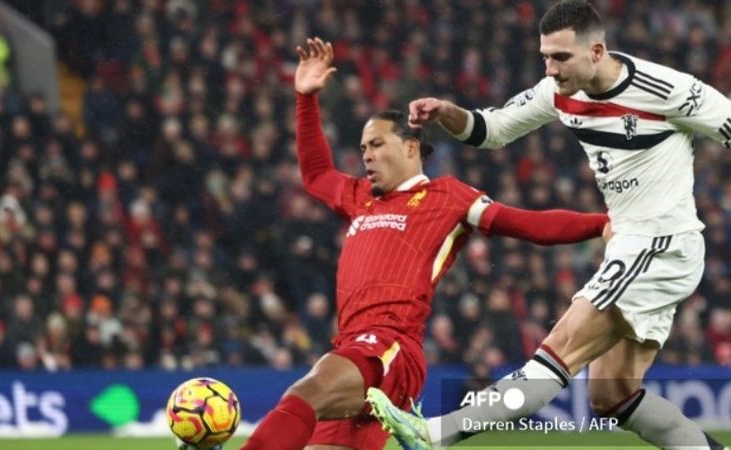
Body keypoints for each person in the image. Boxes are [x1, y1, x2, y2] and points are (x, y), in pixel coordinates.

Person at [366, 1, 731, 449]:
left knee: (561, 345)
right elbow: (489, 130)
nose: (551, 69)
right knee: (611, 395)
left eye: (561, 57)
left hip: (659, 245)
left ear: (596, 50)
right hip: (634, 246)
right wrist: (445, 112)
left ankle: (435, 434)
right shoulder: (557, 92)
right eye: (545, 58)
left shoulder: (666, 89)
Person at [235, 37, 610, 450]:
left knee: (304, 395)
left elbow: (528, 224)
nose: (367, 156)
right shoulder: (361, 198)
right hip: (355, 348)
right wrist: (306, 99)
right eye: (362, 148)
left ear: (411, 147)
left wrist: (602, 224)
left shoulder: (447, 196)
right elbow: (317, 174)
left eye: (377, 144)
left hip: (389, 346)